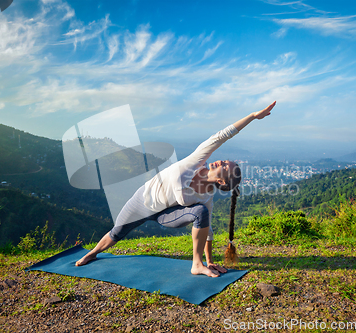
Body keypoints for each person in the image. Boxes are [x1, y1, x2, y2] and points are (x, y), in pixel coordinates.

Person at [76, 101, 277, 277]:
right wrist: (252, 116)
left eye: (225, 167)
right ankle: (92, 253)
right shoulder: (195, 161)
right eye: (225, 161)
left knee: (201, 212)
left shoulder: (206, 197)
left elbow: (208, 231)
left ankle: (196, 265)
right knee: (117, 232)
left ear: (223, 182)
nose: (221, 162)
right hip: (142, 200)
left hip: (165, 214)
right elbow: (221, 136)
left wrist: (209, 260)